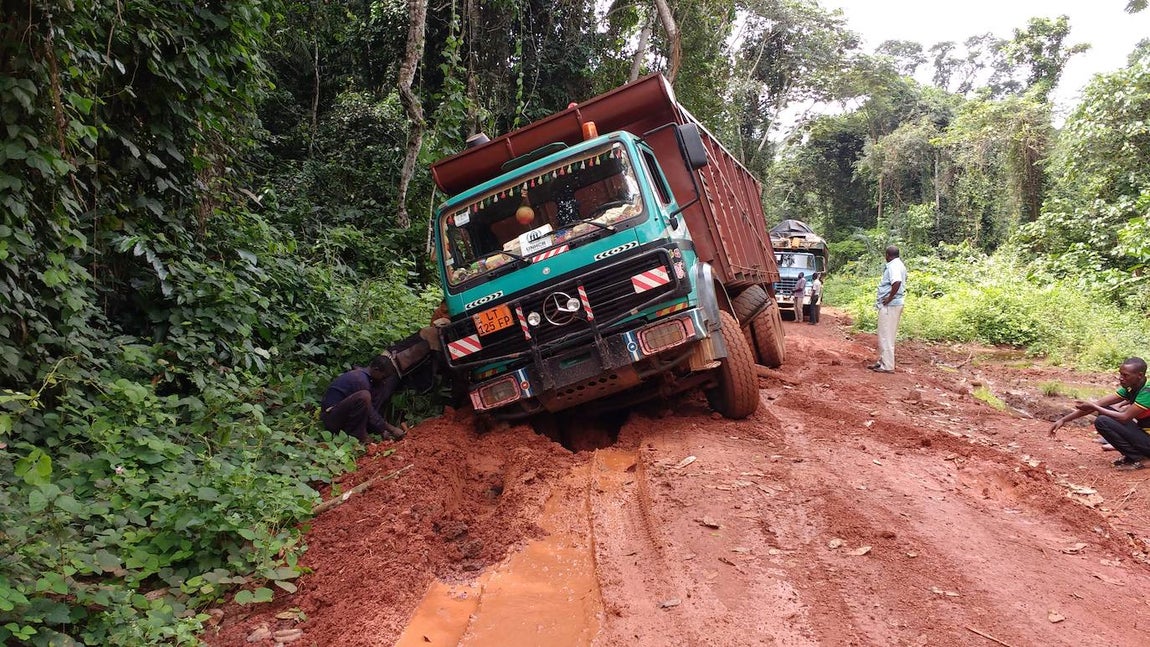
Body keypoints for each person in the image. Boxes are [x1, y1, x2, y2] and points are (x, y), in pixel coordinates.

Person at [1049, 357, 1150, 470]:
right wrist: (1063, 420)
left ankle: (1141, 459)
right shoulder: (1131, 387)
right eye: (1120, 374)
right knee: (1104, 412)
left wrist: (1094, 406)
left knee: (1103, 421)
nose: (1121, 378)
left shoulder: (1147, 391)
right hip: (1145, 435)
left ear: (1140, 375)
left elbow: (1124, 417)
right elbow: (1099, 403)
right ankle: (1134, 456)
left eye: (1125, 375)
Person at [320, 354, 407, 443]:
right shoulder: (360, 379)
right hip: (330, 418)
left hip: (339, 415)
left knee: (370, 394)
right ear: (376, 370)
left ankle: (360, 433)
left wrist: (382, 430)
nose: (384, 380)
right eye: (383, 377)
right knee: (364, 396)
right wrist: (391, 429)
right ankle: (355, 436)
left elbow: (368, 410)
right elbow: (369, 411)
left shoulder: (368, 379)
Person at [869, 245, 906, 373]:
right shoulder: (899, 264)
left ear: (887, 255)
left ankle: (888, 365)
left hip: (891, 305)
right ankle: (882, 361)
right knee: (884, 334)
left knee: (886, 335)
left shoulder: (893, 266)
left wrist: (889, 298)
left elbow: (897, 282)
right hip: (892, 304)